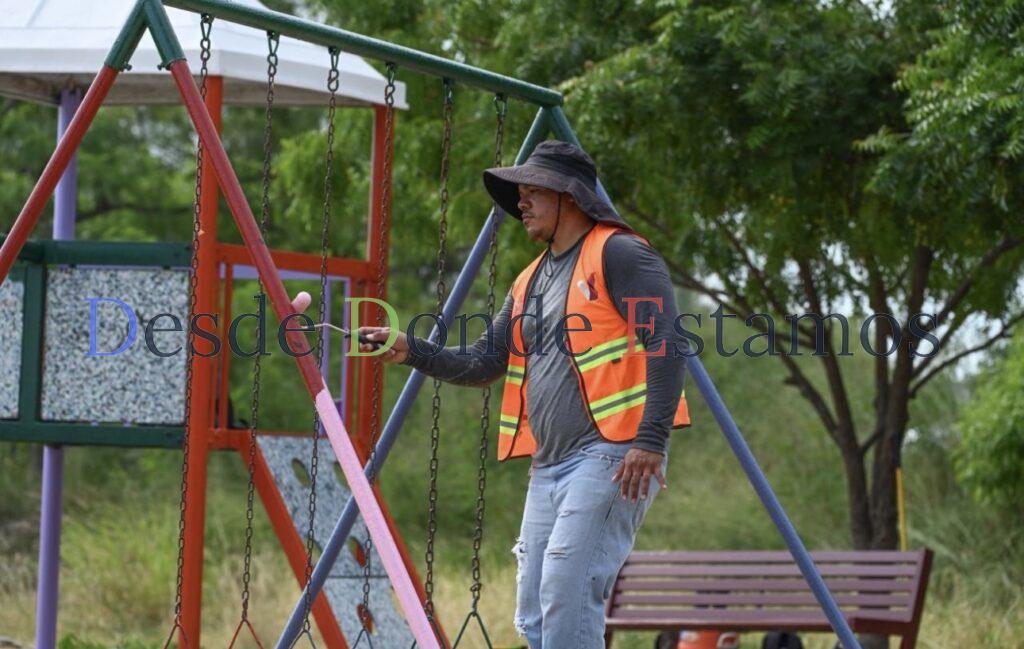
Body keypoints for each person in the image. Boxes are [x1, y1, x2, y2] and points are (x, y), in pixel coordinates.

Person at [358, 140, 690, 649]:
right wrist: (411, 349)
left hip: (613, 454)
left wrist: (651, 439)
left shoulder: (621, 253)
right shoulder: (529, 280)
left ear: (571, 197)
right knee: (534, 613)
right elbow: (484, 362)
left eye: (534, 191)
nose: (522, 204)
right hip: (550, 466)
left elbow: (667, 343)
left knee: (567, 591)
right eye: (522, 194)